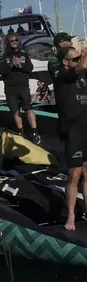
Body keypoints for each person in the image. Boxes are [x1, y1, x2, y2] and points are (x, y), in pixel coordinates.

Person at [54, 47, 87, 230]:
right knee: (74, 173)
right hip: (73, 129)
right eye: (73, 59)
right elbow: (82, 66)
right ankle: (71, 215)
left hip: (86, 125)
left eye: (78, 58)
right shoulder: (63, 76)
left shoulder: (84, 78)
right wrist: (84, 54)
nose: (77, 61)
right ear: (66, 62)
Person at [0, 35, 41, 144]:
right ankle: (21, 131)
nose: (14, 42)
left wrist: (20, 65)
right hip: (10, 88)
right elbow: (1, 71)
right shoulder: (3, 56)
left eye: (16, 40)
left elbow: (30, 68)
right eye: (12, 41)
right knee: (15, 111)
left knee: (28, 108)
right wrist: (11, 64)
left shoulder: (23, 54)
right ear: (7, 42)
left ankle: (35, 132)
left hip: (23, 86)